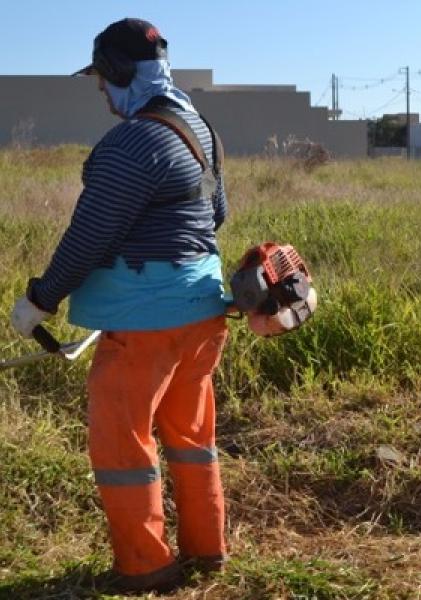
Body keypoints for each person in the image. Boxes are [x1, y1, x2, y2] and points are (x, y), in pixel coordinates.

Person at [9, 18, 229, 593]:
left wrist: (40, 300)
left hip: (146, 325)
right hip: (204, 311)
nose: (101, 91)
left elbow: (90, 238)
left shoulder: (131, 142)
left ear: (118, 73)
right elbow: (217, 215)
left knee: (122, 443)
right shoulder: (198, 127)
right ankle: (207, 552)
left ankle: (146, 567)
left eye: (102, 79)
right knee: (190, 434)